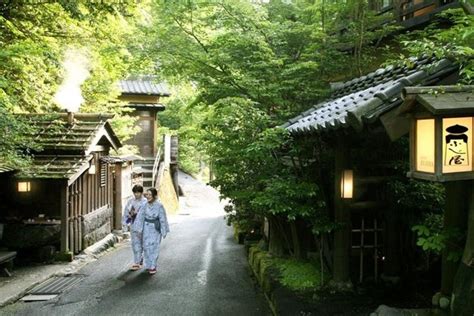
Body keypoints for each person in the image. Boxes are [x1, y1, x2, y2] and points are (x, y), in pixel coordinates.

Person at [135, 188, 170, 275]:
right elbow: (140, 217)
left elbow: (162, 218)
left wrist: (163, 230)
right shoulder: (144, 205)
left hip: (155, 228)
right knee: (146, 247)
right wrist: (139, 229)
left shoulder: (159, 206)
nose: (148, 197)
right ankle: (148, 265)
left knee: (154, 247)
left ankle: (153, 265)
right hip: (146, 227)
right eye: (147, 195)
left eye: (150, 195)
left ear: (154, 196)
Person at [122, 184, 147, 271]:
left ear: (141, 192)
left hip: (144, 226)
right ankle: (137, 262)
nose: (136, 194)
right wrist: (125, 224)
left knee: (145, 244)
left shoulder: (145, 202)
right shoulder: (130, 201)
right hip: (133, 225)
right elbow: (126, 212)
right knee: (135, 244)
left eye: (138, 192)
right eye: (135, 193)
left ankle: (146, 261)